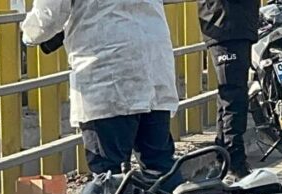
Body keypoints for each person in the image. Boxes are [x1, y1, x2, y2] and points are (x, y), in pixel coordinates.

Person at [21, 0, 178, 176]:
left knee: (109, 173)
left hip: (107, 76)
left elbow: (48, 18)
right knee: (160, 167)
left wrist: (28, 34)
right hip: (155, 67)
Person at [198, 0, 262, 180]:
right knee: (233, 96)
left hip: (233, 24)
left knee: (231, 95)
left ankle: (224, 159)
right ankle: (234, 162)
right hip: (225, 23)